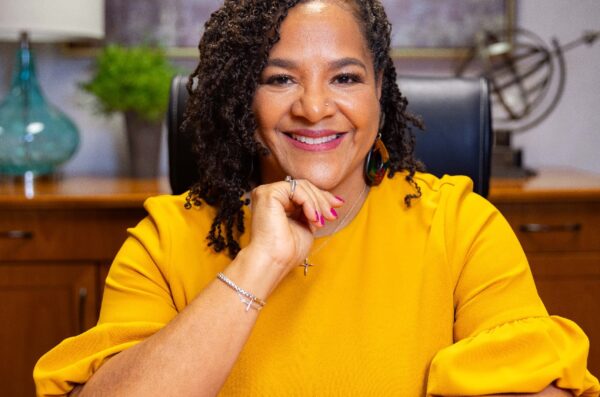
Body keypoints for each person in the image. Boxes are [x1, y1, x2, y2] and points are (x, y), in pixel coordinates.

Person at [34, 1, 599, 396]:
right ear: (240, 98)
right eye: (280, 79)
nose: (313, 107)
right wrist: (258, 265)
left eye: (345, 78)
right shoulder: (166, 238)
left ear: (380, 91)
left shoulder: (461, 225)